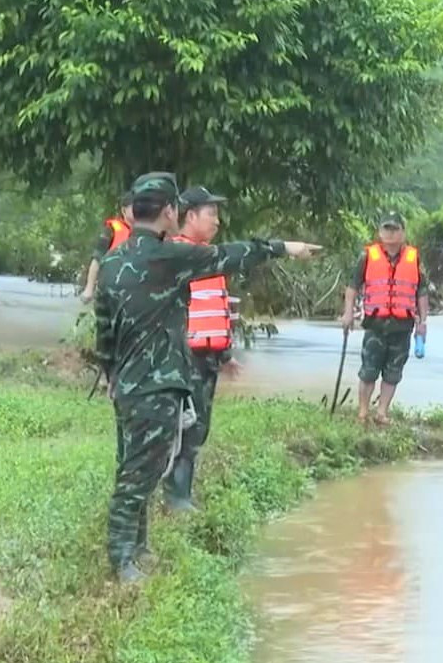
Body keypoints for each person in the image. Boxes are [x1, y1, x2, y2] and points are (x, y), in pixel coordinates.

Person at [94, 171, 321, 584]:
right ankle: (122, 560)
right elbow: (231, 255)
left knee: (134, 466)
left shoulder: (112, 261)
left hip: (127, 384)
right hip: (156, 384)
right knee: (139, 476)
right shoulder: (169, 258)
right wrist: (284, 248)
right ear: (168, 211)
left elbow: (104, 328)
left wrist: (110, 372)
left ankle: (137, 549)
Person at [163, 186, 240, 514]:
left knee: (199, 428)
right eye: (211, 214)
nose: (217, 221)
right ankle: (175, 497)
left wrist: (225, 356)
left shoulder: (208, 256)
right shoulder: (176, 257)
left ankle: (182, 494)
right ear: (190, 216)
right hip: (185, 357)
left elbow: (214, 311)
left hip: (207, 357)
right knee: (185, 427)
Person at [340, 211, 429, 425]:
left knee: (393, 372)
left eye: (394, 229)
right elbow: (353, 287)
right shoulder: (367, 256)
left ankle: (382, 413)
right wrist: (348, 312)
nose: (390, 233)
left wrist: (423, 322)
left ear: (403, 232)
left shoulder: (413, 258)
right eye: (386, 228)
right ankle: (362, 413)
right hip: (375, 324)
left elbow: (422, 292)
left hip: (402, 325)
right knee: (369, 370)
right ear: (380, 231)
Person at [81, 191, 135, 304]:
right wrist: (89, 289)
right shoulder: (111, 230)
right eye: (134, 207)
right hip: (109, 287)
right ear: (124, 210)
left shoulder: (144, 231)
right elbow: (97, 259)